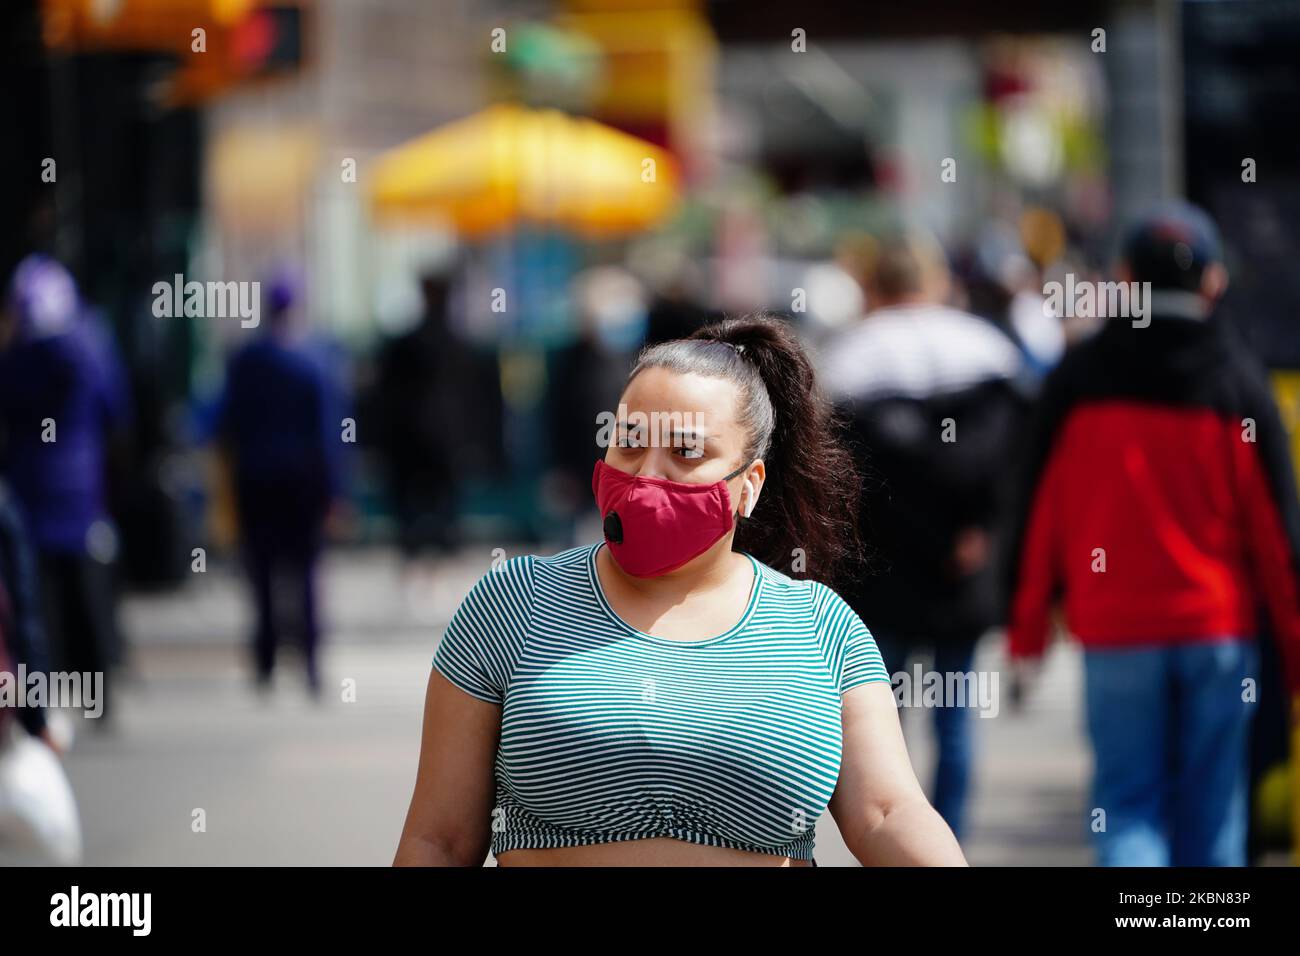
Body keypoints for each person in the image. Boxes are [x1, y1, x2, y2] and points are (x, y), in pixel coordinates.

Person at [394, 312, 967, 867]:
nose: (647, 476)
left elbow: (888, 813)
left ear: (749, 485)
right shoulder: (512, 605)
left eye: (687, 452)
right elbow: (439, 840)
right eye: (630, 442)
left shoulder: (819, 626)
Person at [1003, 200, 1300, 866]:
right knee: (1215, 811)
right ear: (1215, 282)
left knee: (1128, 804)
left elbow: (1038, 510)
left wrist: (1026, 627)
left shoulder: (1078, 379)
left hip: (1116, 633)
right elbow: (1279, 541)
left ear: (1123, 277)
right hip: (1219, 634)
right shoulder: (1241, 386)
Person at [818, 231, 1029, 843]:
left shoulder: (848, 357)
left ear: (872, 286)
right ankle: (950, 842)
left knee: (881, 724)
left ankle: (895, 849)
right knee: (958, 718)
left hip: (882, 569)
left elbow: (843, 476)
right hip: (967, 566)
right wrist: (980, 533)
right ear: (937, 280)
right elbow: (1014, 466)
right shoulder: (992, 352)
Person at [0, 254, 130, 728]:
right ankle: (100, 702)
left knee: (39, 607)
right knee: (88, 599)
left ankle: (44, 706)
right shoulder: (92, 347)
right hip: (83, 493)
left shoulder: (17, 358)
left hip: (30, 490)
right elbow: (117, 412)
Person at [215, 266, 348, 697]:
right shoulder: (315, 360)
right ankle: (310, 663)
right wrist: (337, 491)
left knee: (262, 571)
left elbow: (225, 422)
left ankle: (266, 662)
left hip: (256, 478)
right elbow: (330, 432)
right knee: (307, 572)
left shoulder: (245, 360)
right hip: (304, 482)